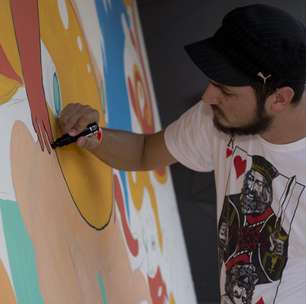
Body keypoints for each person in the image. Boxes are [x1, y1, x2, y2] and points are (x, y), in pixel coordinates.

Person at [58, 4, 306, 304]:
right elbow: (143, 152)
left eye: (225, 90)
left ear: (279, 98)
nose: (207, 96)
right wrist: (92, 135)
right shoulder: (220, 117)